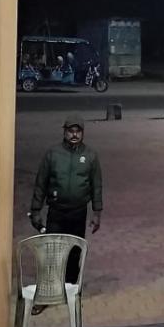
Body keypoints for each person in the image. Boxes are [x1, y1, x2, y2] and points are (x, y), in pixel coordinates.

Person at [29, 118, 103, 283]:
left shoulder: (90, 155)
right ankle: (50, 288)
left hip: (78, 212)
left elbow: (96, 185)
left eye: (78, 131)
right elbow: (41, 183)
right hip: (56, 211)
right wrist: (35, 210)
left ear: (82, 133)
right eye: (71, 131)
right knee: (52, 251)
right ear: (64, 132)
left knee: (74, 252)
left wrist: (97, 212)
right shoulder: (53, 154)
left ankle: (70, 288)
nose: (74, 135)